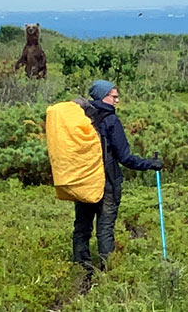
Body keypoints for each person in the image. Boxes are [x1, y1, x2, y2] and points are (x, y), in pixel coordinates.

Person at [73, 80, 162, 277]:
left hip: (83, 182)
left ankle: (81, 267)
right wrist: (150, 164)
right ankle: (106, 271)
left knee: (82, 225)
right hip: (107, 184)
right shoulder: (111, 120)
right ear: (103, 96)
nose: (117, 100)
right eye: (114, 96)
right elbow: (126, 158)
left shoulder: (81, 118)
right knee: (105, 227)